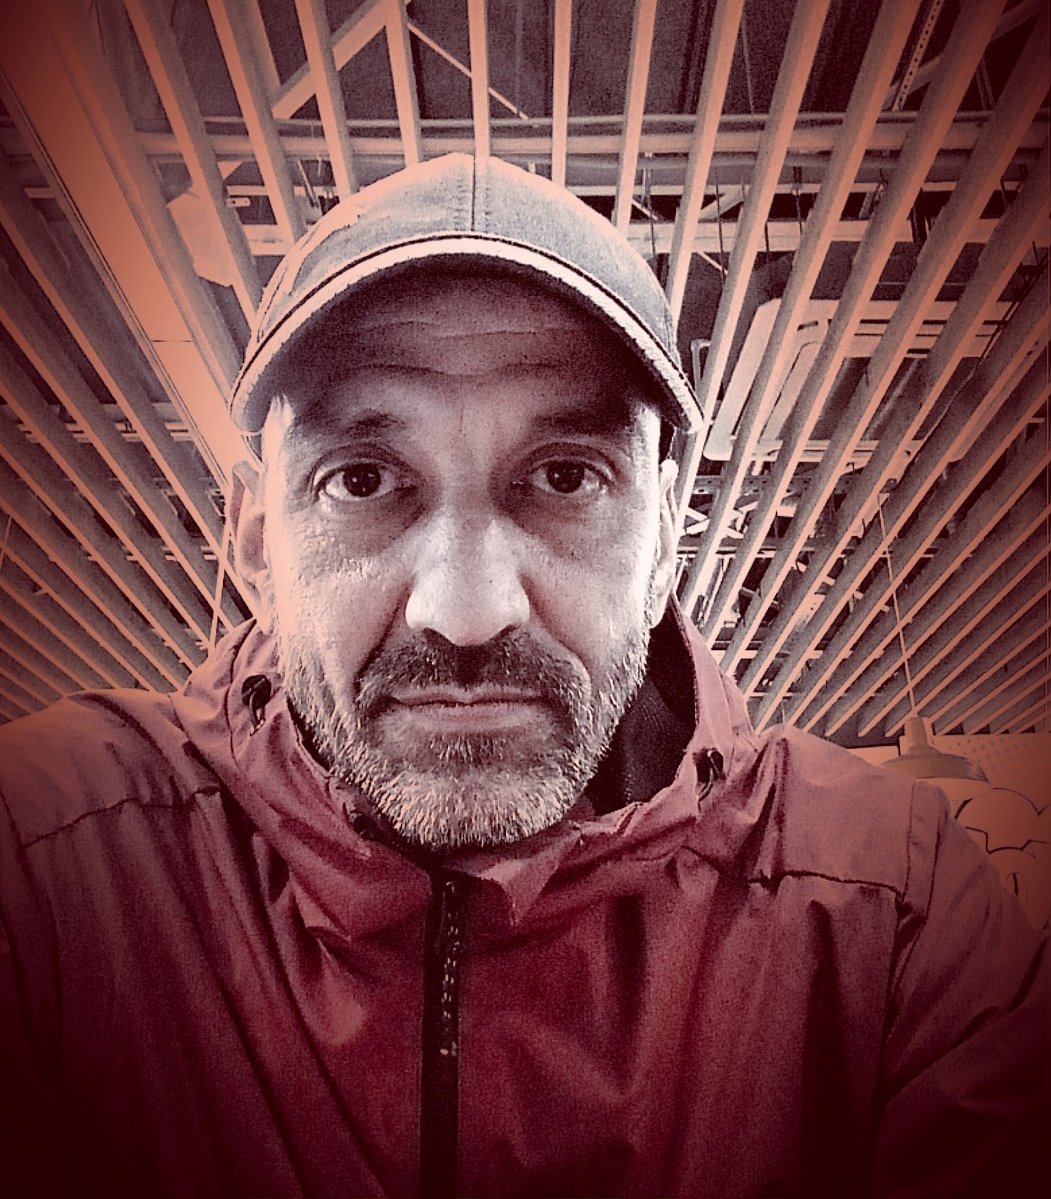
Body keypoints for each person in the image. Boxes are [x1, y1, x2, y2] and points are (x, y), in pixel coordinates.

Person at [0, 154, 1043, 1199]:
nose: (466, 612)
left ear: (663, 545)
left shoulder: (887, 905)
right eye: (361, 479)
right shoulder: (46, 864)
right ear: (255, 539)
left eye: (565, 476)